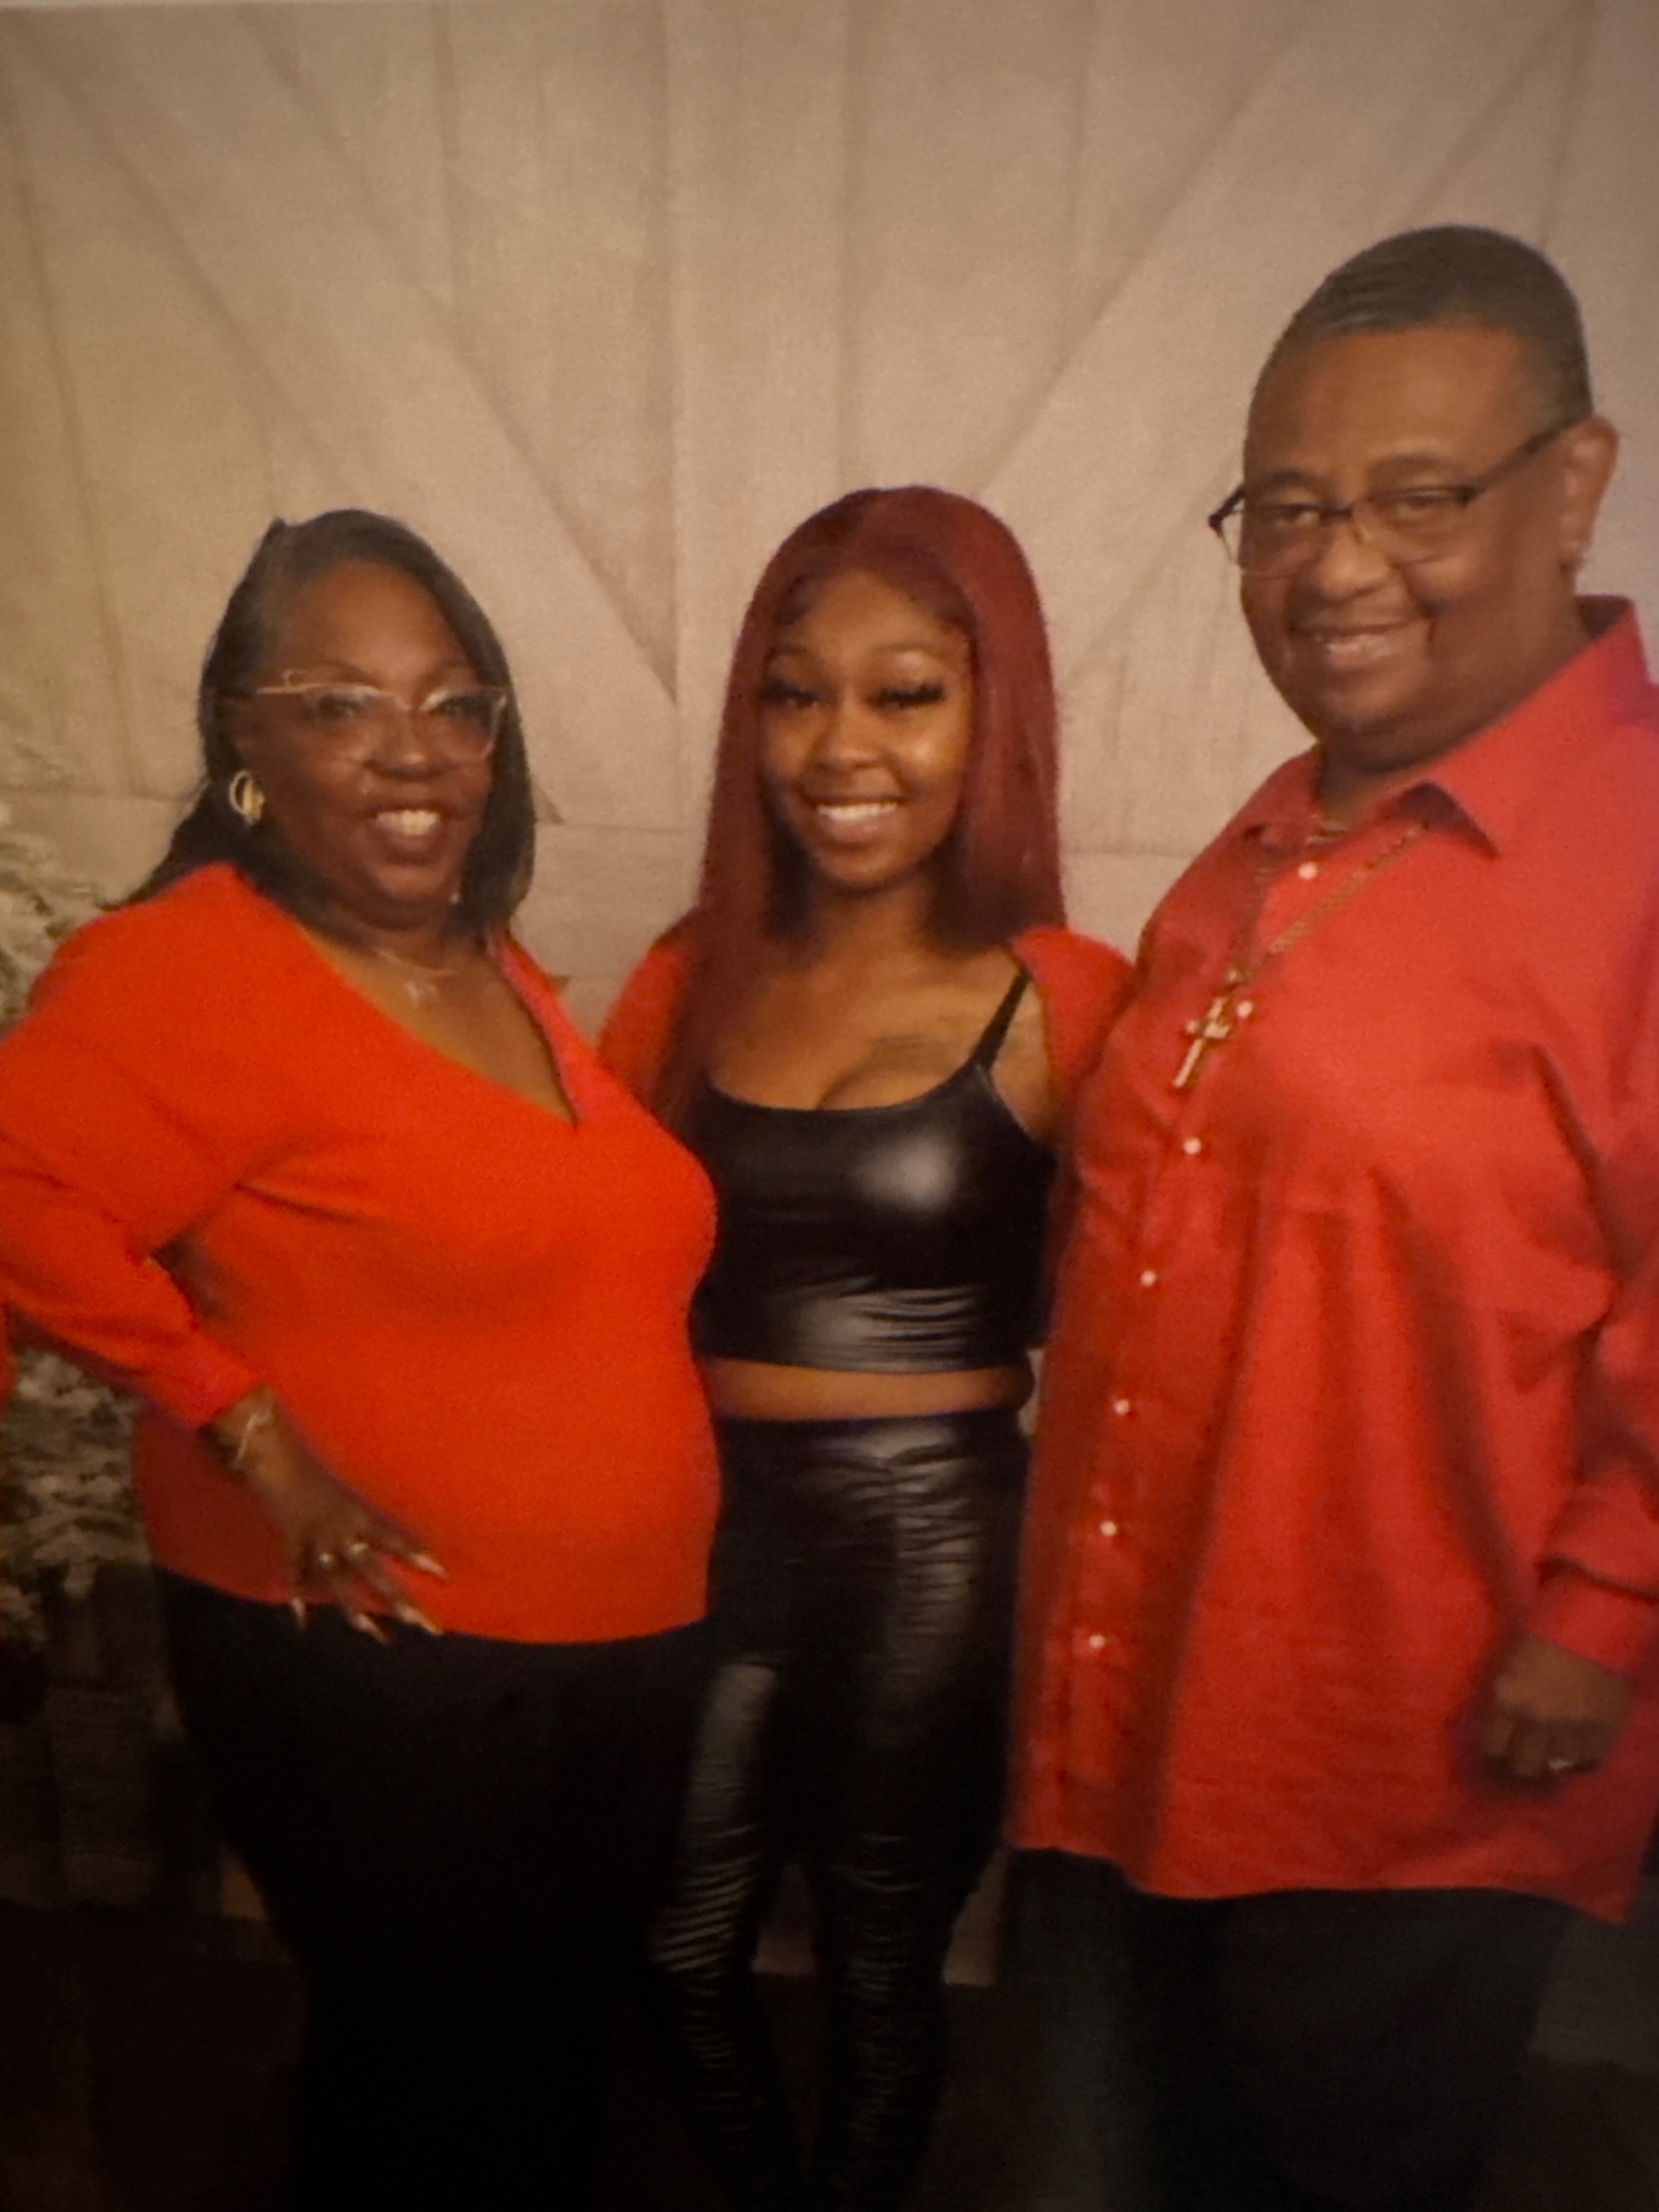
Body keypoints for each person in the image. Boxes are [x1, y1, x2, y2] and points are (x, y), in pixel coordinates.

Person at [1011, 224, 1659, 2212]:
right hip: (1136, 1693)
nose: (1335, 565)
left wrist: (1608, 1610)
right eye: (1286, 510)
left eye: (1416, 499)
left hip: (1412, 1748)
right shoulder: (1277, 834)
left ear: (1574, 486)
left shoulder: (1636, 859)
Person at [0, 510, 720, 2208]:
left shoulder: (484, 965)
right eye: (340, 705)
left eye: (455, 704)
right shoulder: (192, 965)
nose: (415, 752)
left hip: (617, 1651)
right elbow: (16, 1187)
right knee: (430, 2092)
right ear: (241, 742)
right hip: (392, 1662)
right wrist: (243, 1423)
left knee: (542, 2073)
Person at [600, 486, 1127, 2211]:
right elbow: (584, 1262)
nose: (841, 746)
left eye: (905, 693)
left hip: (933, 1538)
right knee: (676, 1945)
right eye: (794, 692)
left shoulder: (1068, 996)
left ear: (994, 715)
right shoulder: (690, 973)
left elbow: (1149, 1312)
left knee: (887, 1960)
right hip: (699, 1524)